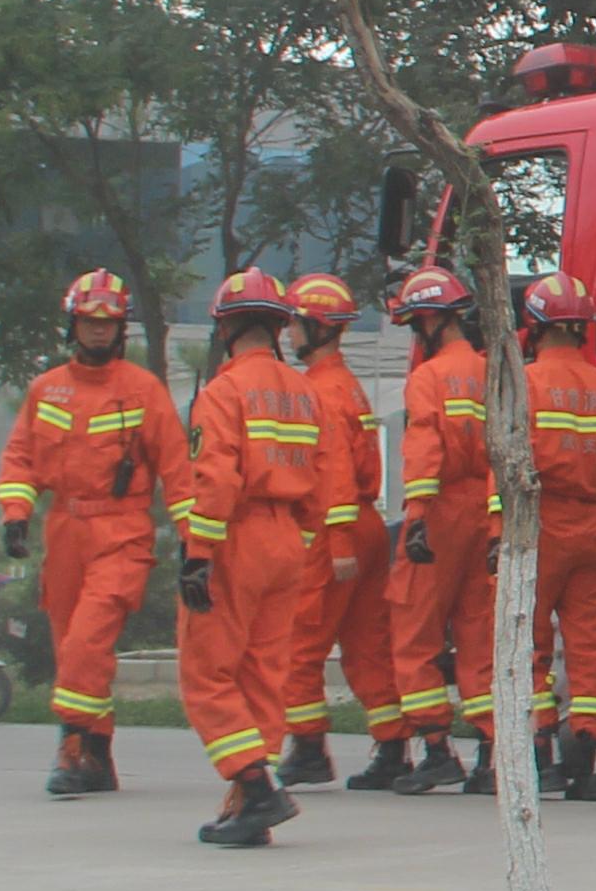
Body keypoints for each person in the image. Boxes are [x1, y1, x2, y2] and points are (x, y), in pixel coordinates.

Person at [0, 266, 182, 801]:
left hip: (122, 531)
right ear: (72, 324)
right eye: (89, 321)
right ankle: (99, 753)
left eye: (109, 322)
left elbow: (178, 470)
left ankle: (72, 745)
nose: (99, 330)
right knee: (71, 645)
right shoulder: (46, 389)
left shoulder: (143, 391)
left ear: (121, 327)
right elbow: (20, 458)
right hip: (65, 532)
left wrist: (197, 543)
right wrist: (15, 513)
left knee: (85, 641)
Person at [173, 266, 318, 847]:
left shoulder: (224, 392)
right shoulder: (303, 393)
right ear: (279, 328)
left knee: (206, 671)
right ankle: (250, 798)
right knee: (265, 671)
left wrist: (198, 554)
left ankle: (255, 786)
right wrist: (301, 543)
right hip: (288, 542)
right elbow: (323, 477)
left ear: (225, 328)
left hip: (236, 537)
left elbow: (215, 478)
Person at [282, 274, 420, 790]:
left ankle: (308, 749)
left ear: (315, 328)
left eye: (295, 324)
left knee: (300, 642)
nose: (289, 333)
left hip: (332, 528)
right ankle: (393, 747)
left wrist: (337, 543)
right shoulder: (346, 385)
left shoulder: (317, 392)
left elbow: (334, 470)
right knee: (368, 644)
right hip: (364, 525)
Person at [509, 275, 596, 796]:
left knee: (528, 638)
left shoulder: (525, 383)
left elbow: (509, 465)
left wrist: (501, 530)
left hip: (542, 522)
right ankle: (590, 746)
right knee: (591, 642)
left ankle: (540, 749)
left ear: (534, 326)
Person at [383, 267, 492, 792]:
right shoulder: (493, 371)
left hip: (441, 512)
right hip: (486, 512)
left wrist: (419, 515)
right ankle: (493, 753)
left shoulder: (428, 378)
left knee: (414, 629)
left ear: (429, 321)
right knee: (480, 633)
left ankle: (435, 747)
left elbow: (425, 445)